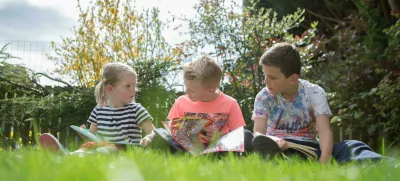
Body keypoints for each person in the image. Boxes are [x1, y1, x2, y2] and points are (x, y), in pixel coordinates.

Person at [250, 42, 384, 164]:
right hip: (279, 147)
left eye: (272, 77)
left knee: (353, 146)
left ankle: (391, 165)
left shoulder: (314, 93)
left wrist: (324, 159)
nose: (266, 82)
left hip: (309, 148)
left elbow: (324, 130)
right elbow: (258, 134)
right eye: (264, 75)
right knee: (278, 153)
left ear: (292, 78)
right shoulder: (263, 97)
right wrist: (272, 140)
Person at [39, 62, 156, 154]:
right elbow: (93, 137)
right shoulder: (99, 110)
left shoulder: (136, 110)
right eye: (128, 86)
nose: (133, 90)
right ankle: (69, 156)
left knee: (108, 150)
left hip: (125, 150)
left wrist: (148, 138)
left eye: (134, 85)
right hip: (103, 147)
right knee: (86, 149)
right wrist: (85, 134)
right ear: (110, 89)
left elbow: (153, 132)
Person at [154, 55, 251, 154]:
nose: (186, 92)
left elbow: (237, 134)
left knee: (246, 135)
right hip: (188, 150)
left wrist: (219, 135)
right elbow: (172, 131)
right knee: (160, 135)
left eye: (191, 90)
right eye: (185, 86)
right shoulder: (181, 101)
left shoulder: (230, 103)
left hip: (217, 149)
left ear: (211, 90)